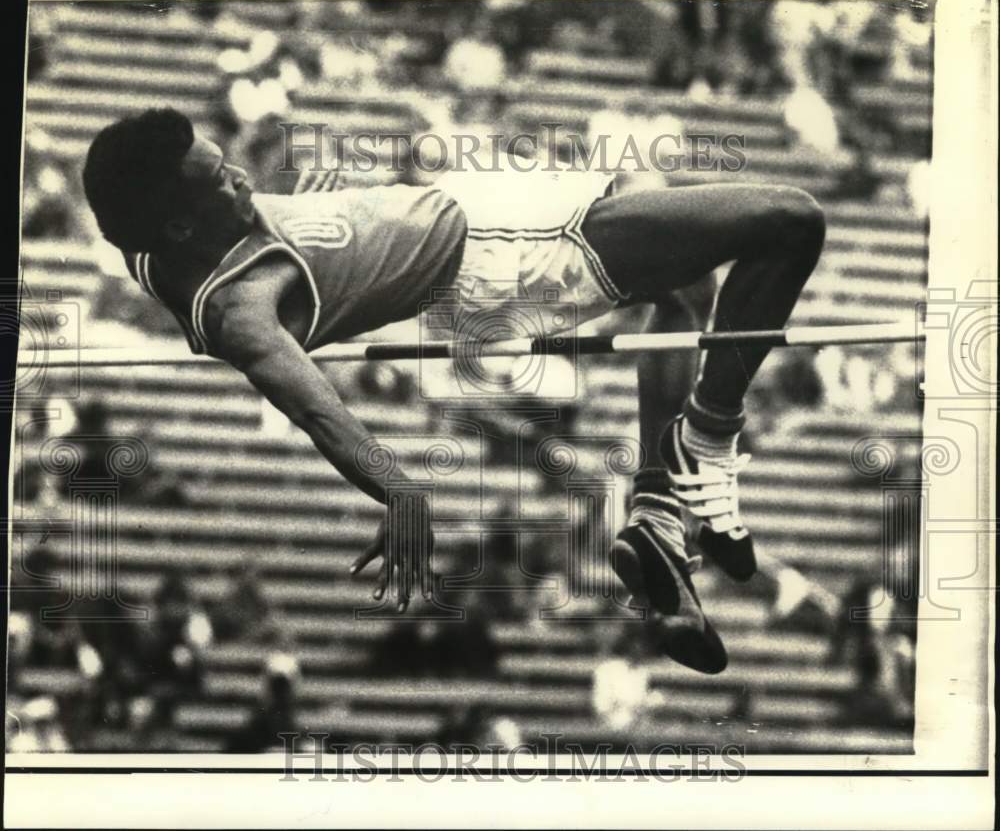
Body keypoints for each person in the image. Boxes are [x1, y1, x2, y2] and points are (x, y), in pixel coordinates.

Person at [82, 108, 824, 673]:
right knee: (789, 222)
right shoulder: (241, 307)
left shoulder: (157, 242)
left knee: (685, 288)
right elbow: (312, 403)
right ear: (182, 226)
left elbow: (131, 216)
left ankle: (659, 515)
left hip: (470, 208)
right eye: (220, 183)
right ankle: (707, 442)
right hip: (507, 251)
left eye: (227, 165)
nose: (242, 179)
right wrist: (399, 492)